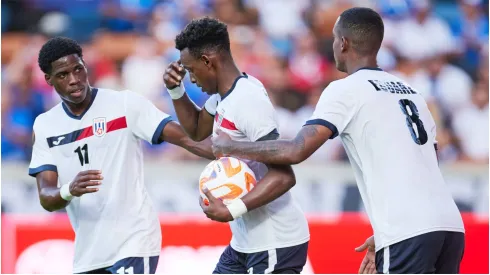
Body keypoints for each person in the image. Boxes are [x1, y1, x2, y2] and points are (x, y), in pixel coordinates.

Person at [212, 7, 465, 274]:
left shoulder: (346, 88)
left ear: (343, 42)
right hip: (449, 226)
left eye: (334, 38)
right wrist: (382, 234)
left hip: (407, 230)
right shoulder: (413, 92)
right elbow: (429, 162)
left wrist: (230, 146)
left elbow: (297, 150)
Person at [29, 36, 215, 274]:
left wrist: (241, 155)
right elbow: (46, 197)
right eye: (63, 75)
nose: (75, 80)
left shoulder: (124, 104)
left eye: (78, 69)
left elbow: (189, 139)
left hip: (134, 241)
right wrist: (69, 190)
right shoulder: (45, 126)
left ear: (86, 67)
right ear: (49, 80)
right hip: (89, 254)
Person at [163, 17, 310, 274]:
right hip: (245, 243)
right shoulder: (222, 96)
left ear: (208, 61)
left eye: (191, 70)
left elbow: (284, 175)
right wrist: (176, 91)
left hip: (275, 242)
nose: (191, 79)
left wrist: (232, 209)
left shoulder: (247, 100)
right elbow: (197, 131)